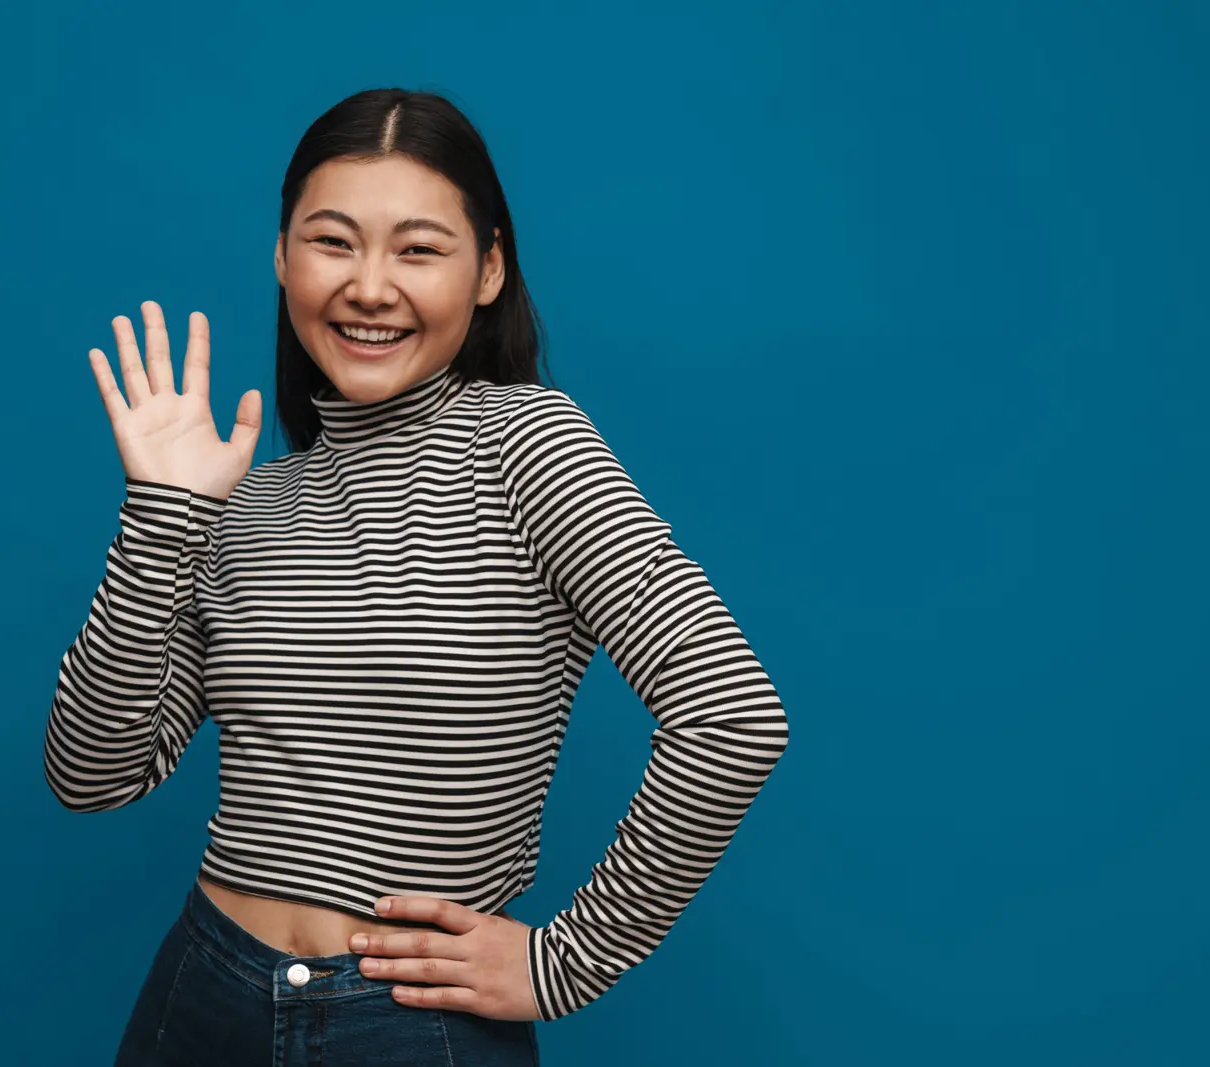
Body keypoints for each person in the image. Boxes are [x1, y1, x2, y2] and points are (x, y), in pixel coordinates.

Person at [44, 87, 791, 1066]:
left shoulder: (529, 446)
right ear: (282, 256)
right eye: (332, 240)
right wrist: (163, 513)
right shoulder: (246, 503)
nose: (368, 285)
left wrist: (566, 960)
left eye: (418, 249)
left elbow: (733, 715)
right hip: (202, 993)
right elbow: (92, 775)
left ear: (487, 270)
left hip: (409, 1025)